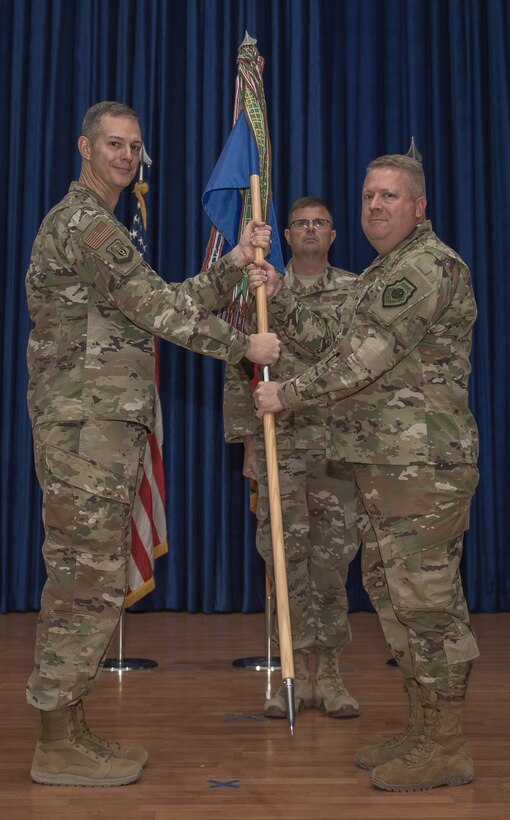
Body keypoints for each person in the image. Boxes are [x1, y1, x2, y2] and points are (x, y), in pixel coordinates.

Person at [25, 100, 280, 787]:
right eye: (113, 144)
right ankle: (55, 737)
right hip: (87, 432)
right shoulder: (86, 225)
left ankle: (68, 725)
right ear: (84, 146)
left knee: (92, 580)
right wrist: (243, 344)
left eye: (134, 146)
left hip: (99, 429)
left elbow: (160, 298)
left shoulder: (101, 229)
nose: (126, 156)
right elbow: (163, 312)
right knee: (85, 583)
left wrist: (233, 266)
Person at [251, 155, 479, 792]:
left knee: (428, 606)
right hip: (385, 468)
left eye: (390, 196)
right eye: (369, 196)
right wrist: (279, 296)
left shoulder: (430, 268)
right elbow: (333, 331)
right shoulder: (385, 271)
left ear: (419, 208)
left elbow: (364, 361)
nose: (376, 206)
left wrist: (285, 394)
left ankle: (447, 743)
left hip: (422, 469)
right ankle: (421, 727)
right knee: (396, 597)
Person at [224, 197, 360, 719]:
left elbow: (351, 361)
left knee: (332, 562)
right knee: (284, 561)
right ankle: (294, 672)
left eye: (319, 223)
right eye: (300, 223)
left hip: (335, 447)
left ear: (332, 234)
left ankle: (331, 674)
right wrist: (248, 444)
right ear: (284, 234)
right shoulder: (259, 293)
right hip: (279, 445)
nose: (309, 230)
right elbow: (240, 370)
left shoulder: (354, 291)